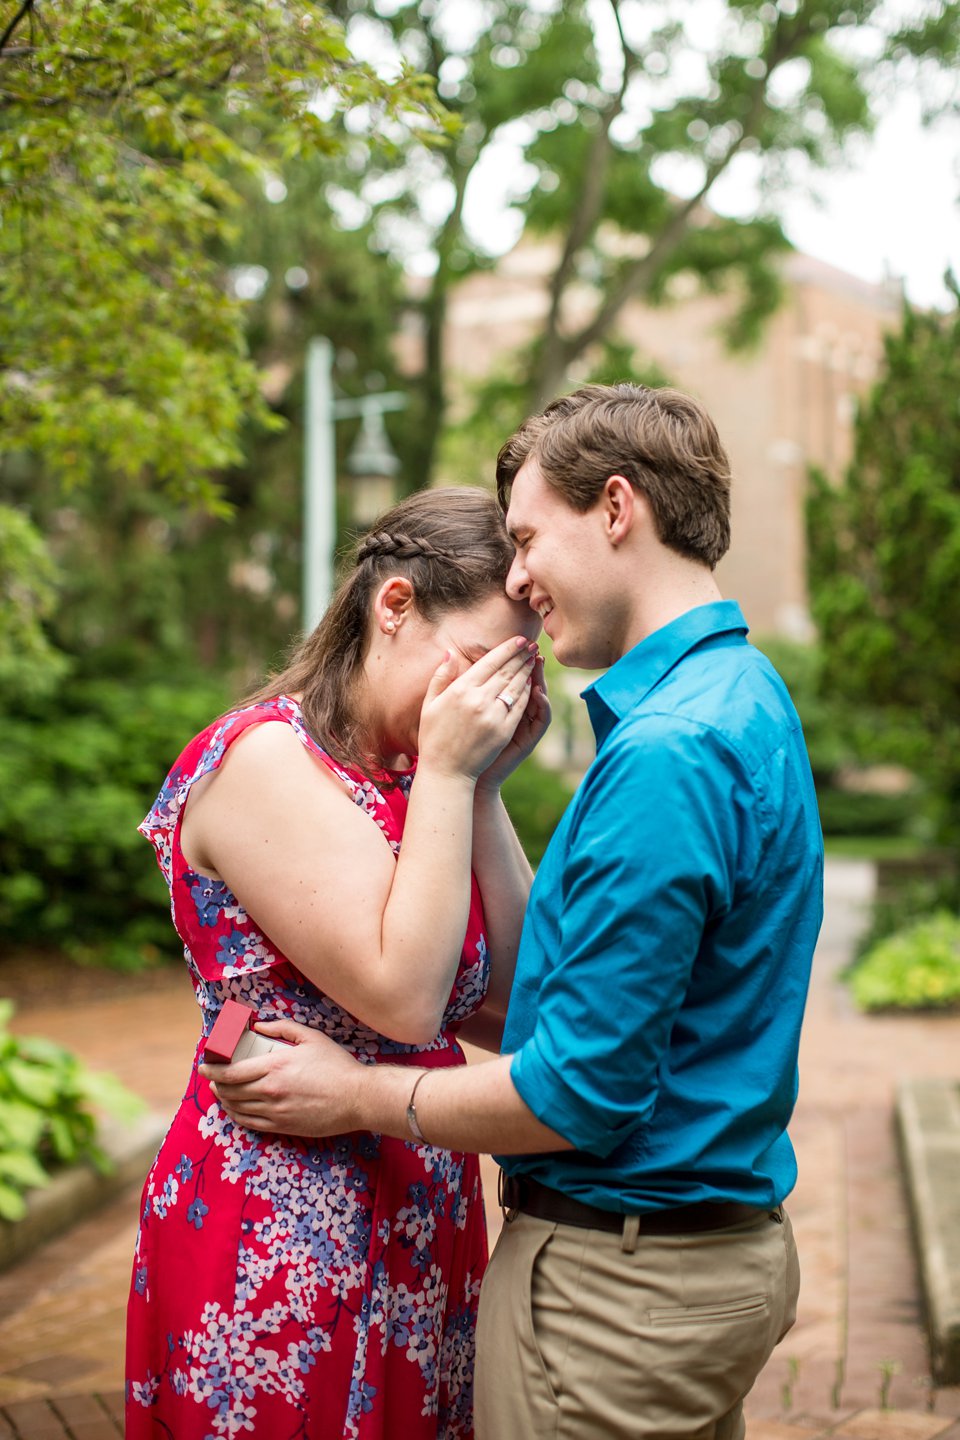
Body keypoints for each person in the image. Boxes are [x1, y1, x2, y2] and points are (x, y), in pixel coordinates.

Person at [205, 384, 825, 1440]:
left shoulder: (667, 753)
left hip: (620, 1286)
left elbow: (575, 1086)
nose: (523, 576)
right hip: (691, 1257)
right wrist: (484, 791)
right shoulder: (741, 693)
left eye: (532, 537)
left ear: (617, 508)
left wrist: (359, 1092)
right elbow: (555, 993)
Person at [125, 486, 548, 1440]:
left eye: (517, 679)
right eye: (482, 666)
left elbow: (521, 1008)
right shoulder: (264, 762)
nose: (495, 701)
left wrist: (478, 791)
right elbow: (404, 1000)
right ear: (393, 606)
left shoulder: (414, 784)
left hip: (415, 1205)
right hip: (284, 1219)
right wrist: (448, 771)